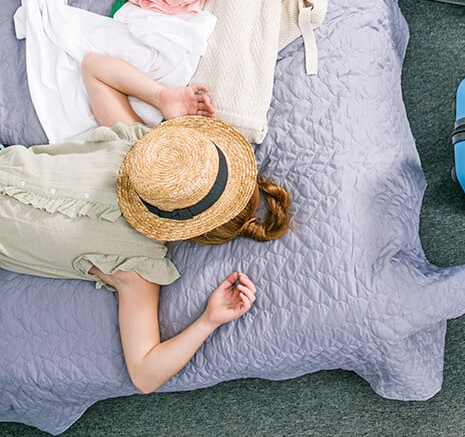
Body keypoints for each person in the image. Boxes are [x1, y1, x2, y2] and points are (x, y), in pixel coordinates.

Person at [0, 51, 291, 394]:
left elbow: (145, 374)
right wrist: (161, 96)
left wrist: (208, 320)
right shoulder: (137, 149)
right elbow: (94, 67)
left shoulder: (138, 266)